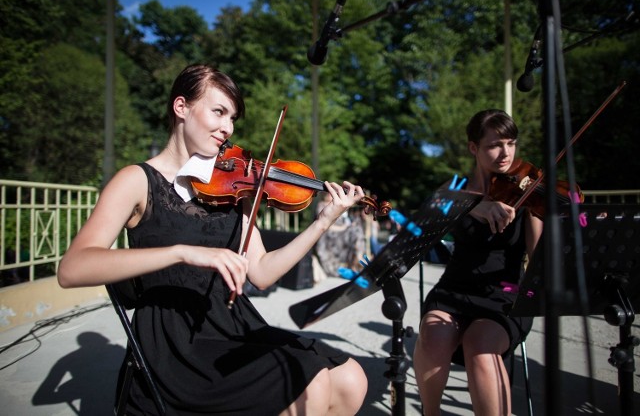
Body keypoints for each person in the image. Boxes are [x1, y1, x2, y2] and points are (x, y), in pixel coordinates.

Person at [57, 64, 368, 415]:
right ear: (181, 108)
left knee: (351, 378)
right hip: (176, 342)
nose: (228, 128)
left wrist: (322, 223)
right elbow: (72, 269)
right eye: (219, 112)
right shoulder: (137, 180)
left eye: (232, 118)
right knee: (310, 379)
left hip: (232, 323)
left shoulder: (236, 187)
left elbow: (263, 273)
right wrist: (183, 253)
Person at [413, 109, 544, 416]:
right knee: (433, 336)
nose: (505, 153)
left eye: (511, 143)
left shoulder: (528, 190)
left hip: (505, 294)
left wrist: (558, 224)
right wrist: (474, 205)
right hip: (453, 290)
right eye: (494, 145)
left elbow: (539, 257)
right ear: (474, 148)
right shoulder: (457, 186)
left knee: (480, 346)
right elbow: (433, 205)